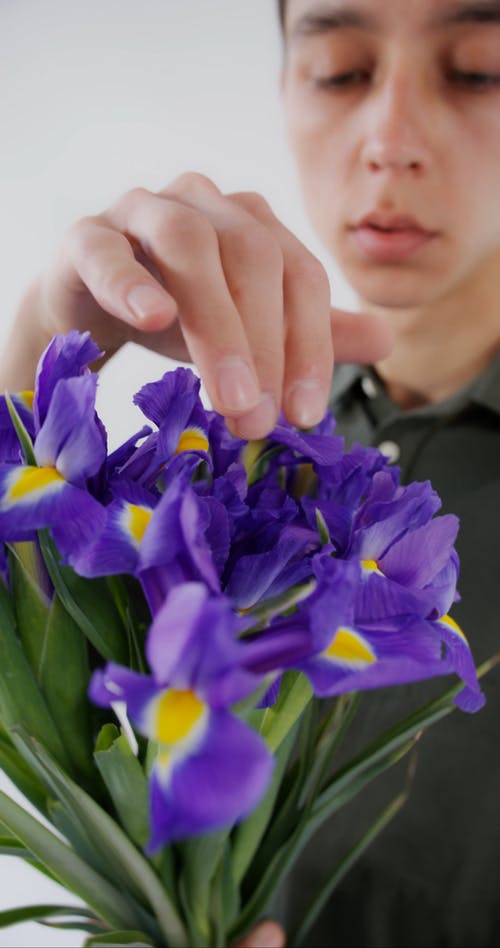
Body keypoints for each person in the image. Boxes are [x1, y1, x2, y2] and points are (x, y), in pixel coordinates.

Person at [1, 0, 499, 945]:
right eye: (342, 71)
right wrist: (32, 365)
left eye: (478, 69)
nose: (390, 139)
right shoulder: (251, 439)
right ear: (283, 87)